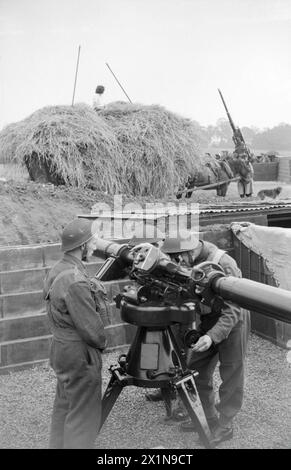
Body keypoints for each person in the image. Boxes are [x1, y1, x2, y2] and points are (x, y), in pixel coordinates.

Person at [145, 232, 250, 445]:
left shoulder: (223, 262)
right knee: (195, 371)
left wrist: (212, 337)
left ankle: (225, 423)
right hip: (207, 318)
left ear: (191, 250)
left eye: (178, 258)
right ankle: (208, 417)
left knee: (231, 372)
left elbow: (234, 307)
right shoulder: (186, 261)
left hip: (232, 320)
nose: (176, 263)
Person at [43, 218, 107, 449]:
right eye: (92, 241)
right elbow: (91, 330)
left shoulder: (59, 269)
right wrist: (102, 343)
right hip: (78, 354)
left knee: (64, 408)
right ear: (83, 246)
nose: (95, 245)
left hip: (61, 349)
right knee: (83, 419)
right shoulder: (76, 280)